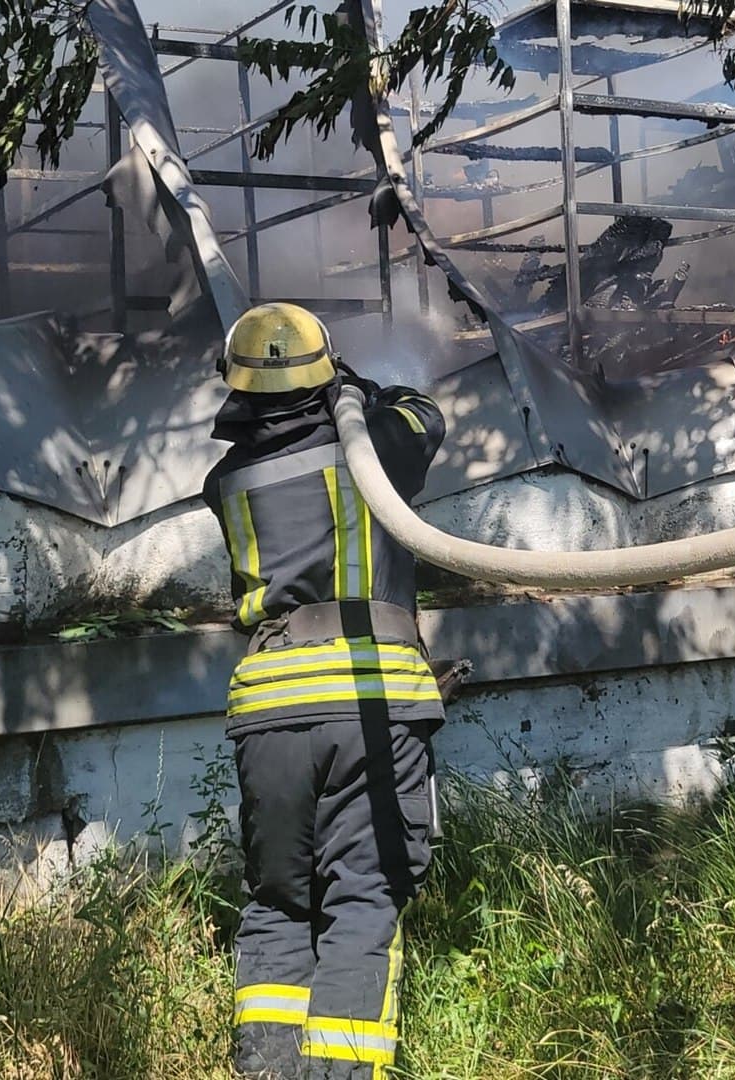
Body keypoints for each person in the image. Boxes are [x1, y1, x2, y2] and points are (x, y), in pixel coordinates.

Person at [203, 302, 448, 1080]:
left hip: (269, 709)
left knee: (279, 904)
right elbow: (427, 416)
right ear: (325, 372)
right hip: (368, 703)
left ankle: (270, 1071)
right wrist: (358, 390)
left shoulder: (228, 478)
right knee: (363, 904)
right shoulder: (376, 445)